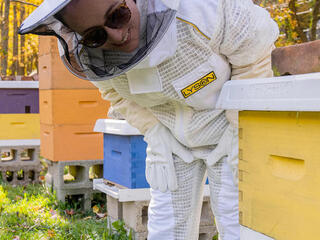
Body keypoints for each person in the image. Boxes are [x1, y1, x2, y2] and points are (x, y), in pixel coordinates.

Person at [19, 0, 279, 239]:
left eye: (118, 16)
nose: (116, 36)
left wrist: (240, 130)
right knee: (166, 230)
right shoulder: (97, 58)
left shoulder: (200, 11)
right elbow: (115, 95)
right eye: (96, 36)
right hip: (171, 140)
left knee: (241, 227)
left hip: (228, 131)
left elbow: (254, 50)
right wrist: (156, 132)